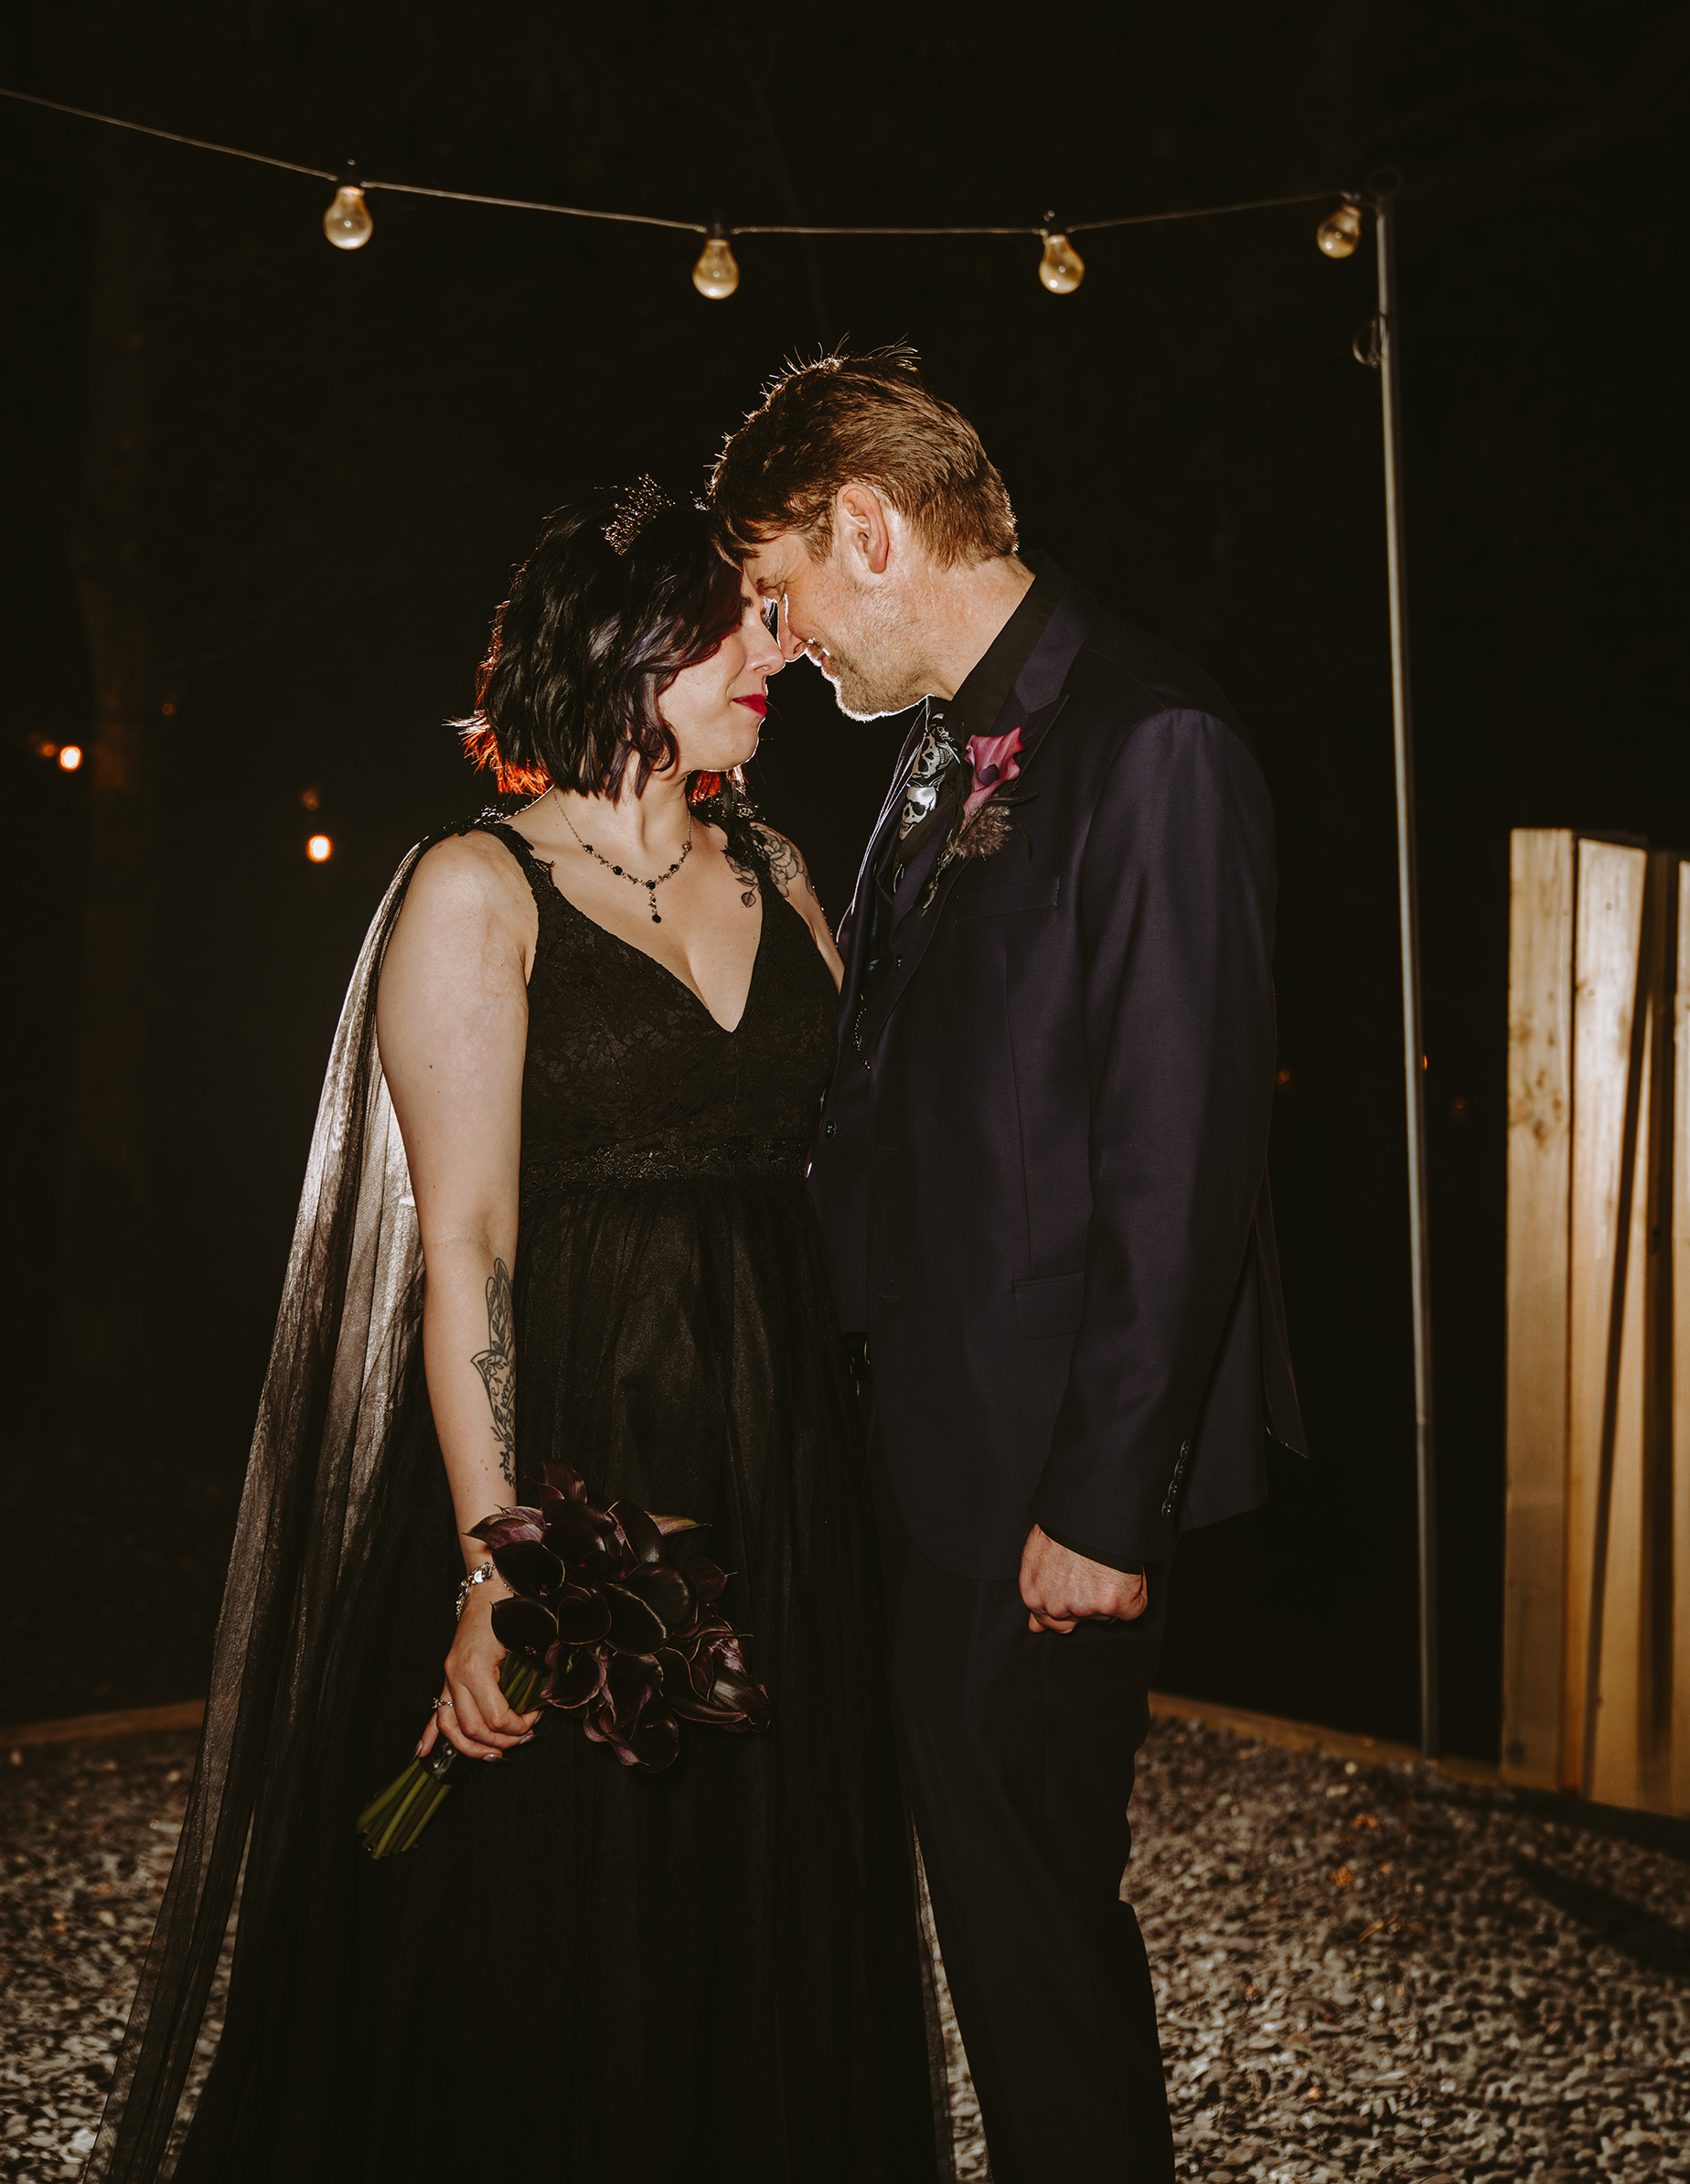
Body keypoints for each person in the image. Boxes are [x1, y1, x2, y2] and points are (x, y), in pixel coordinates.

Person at [88, 482, 940, 2184]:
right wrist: (506, 1566)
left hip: (785, 1473)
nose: (775, 643)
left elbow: (862, 1157)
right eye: (736, 621)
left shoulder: (776, 864)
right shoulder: (476, 893)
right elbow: (464, 1246)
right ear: (629, 650)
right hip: (574, 1462)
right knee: (540, 1921)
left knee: (761, 1907)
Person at [711, 350, 1308, 2184]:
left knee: (1034, 1952)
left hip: (1045, 1483)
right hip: (928, 1459)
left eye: (781, 591)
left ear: (866, 526)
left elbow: (1180, 1155)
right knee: (985, 1931)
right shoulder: (928, 763)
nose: (783, 638)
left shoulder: (1154, 742)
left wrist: (1106, 1506)